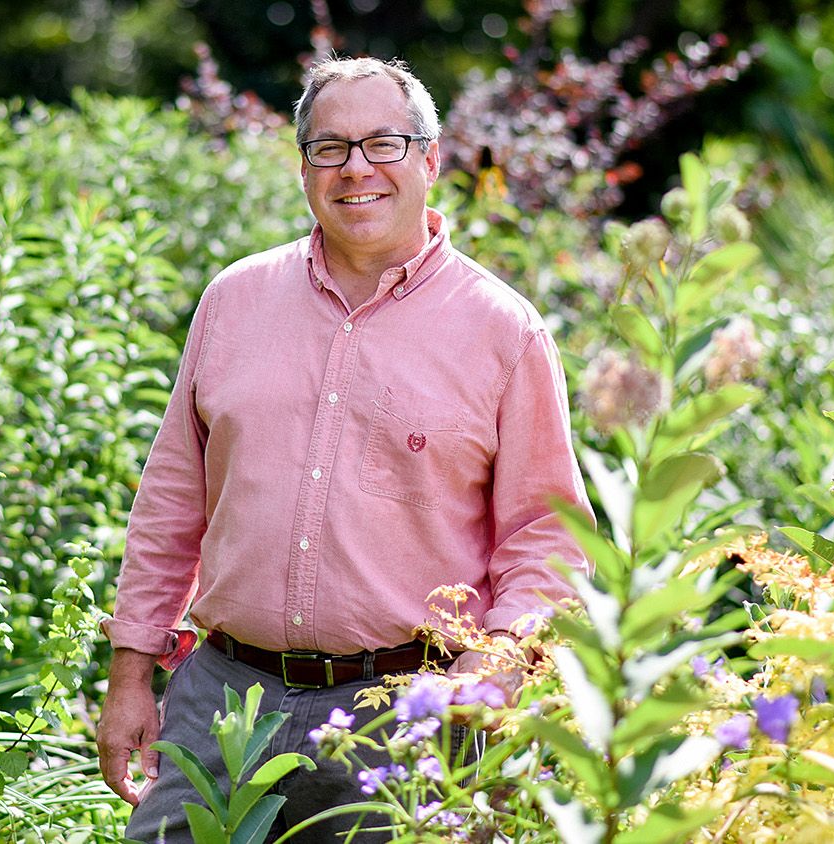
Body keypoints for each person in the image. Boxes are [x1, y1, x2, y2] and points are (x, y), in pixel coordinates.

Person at [97, 56, 591, 842]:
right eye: (330, 148)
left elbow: (547, 534)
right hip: (222, 704)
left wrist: (498, 660)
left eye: (383, 144)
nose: (355, 168)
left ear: (429, 159)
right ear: (304, 169)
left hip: (401, 723)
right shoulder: (234, 301)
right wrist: (131, 672)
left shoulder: (504, 332)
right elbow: (171, 501)